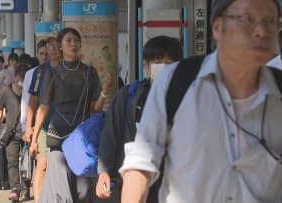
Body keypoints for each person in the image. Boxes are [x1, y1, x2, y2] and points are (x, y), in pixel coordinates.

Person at [120, 0, 282, 202]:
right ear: (217, 28)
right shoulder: (177, 82)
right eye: (248, 19)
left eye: (270, 21)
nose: (262, 31)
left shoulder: (279, 94)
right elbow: (141, 165)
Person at [95, 36, 183, 202]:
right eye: (157, 61)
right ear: (146, 64)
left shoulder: (188, 97)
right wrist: (104, 172)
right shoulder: (129, 95)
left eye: (169, 62)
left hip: (174, 184)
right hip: (134, 180)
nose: (162, 67)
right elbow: (110, 134)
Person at [30, 27, 110, 203]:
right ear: (60, 46)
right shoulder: (51, 72)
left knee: (82, 191)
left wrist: (104, 91)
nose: (73, 44)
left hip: (82, 138)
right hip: (57, 136)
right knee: (61, 190)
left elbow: (94, 109)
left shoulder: (90, 72)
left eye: (76, 41)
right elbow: (43, 107)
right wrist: (35, 137)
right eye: (68, 41)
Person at [23, 36, 60, 203]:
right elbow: (33, 101)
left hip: (66, 125)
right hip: (45, 125)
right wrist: (29, 127)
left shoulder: (69, 69)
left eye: (53, 47)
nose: (49, 52)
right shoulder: (39, 73)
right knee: (42, 164)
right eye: (44, 51)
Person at [0, 64, 27, 201]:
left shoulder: (29, 92)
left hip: (27, 132)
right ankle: (15, 188)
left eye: (24, 77)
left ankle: (26, 185)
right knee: (12, 161)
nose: (21, 80)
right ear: (15, 77)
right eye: (20, 77)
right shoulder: (6, 91)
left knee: (27, 162)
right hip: (11, 133)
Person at [20, 39, 48, 201]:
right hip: (38, 126)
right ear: (37, 55)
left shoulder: (56, 71)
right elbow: (26, 101)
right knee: (41, 164)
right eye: (41, 54)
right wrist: (26, 127)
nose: (44, 57)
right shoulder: (31, 74)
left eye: (47, 53)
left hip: (53, 123)